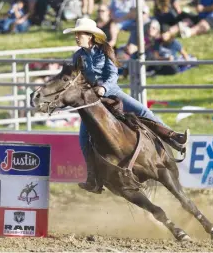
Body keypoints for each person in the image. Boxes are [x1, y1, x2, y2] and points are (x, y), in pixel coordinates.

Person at [63, 18, 190, 194]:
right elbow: (75, 79)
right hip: (92, 102)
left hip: (112, 93)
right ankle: (93, 178)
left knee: (143, 111)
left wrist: (103, 88)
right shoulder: (78, 57)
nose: (76, 37)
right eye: (76, 34)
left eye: (79, 34)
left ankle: (173, 137)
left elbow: (113, 75)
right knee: (83, 139)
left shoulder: (105, 51)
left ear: (90, 36)